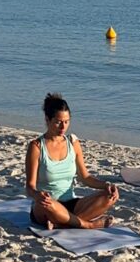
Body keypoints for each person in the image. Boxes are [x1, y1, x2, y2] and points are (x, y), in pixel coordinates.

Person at [24, 93, 118, 229]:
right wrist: (37, 195)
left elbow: (85, 177)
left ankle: (61, 224)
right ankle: (88, 224)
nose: (63, 127)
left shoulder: (73, 143)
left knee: (109, 196)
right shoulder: (37, 147)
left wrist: (106, 185)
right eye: (58, 122)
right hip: (47, 206)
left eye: (66, 122)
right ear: (47, 119)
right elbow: (29, 187)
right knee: (47, 204)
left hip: (72, 204)